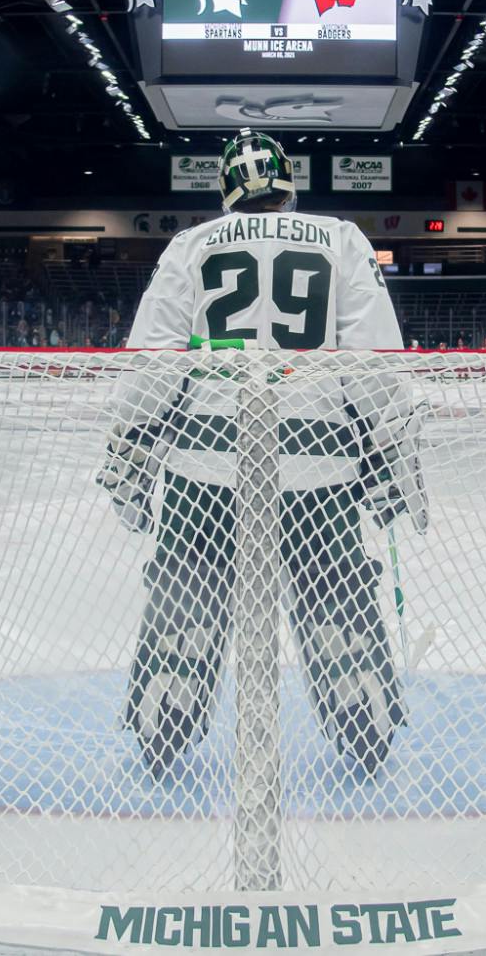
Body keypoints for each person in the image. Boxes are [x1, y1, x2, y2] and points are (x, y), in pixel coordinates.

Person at [96, 128, 421, 776]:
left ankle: (165, 723)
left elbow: (154, 364)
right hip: (318, 466)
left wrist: (128, 453)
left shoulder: (190, 246)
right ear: (286, 183)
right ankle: (365, 725)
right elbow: (376, 366)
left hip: (205, 467)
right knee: (336, 597)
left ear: (226, 186)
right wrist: (394, 458)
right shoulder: (341, 238)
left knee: (185, 599)